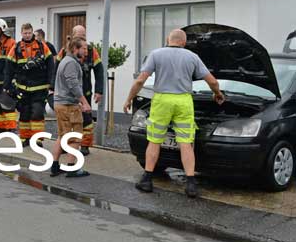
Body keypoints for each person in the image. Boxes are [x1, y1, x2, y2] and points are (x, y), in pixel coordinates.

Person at [123, 29, 225, 198]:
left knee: (155, 140)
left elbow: (141, 80)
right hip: (184, 101)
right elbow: (212, 81)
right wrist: (218, 94)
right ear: (183, 43)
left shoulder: (156, 54)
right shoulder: (192, 57)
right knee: (186, 142)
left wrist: (129, 99)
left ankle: (147, 179)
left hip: (162, 100)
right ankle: (191, 184)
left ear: (167, 40)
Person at [55, 25, 104, 156]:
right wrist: (51, 89)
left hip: (85, 92)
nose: (82, 38)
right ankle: (68, 148)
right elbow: (56, 69)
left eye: (84, 36)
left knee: (86, 120)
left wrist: (99, 90)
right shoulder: (64, 51)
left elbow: (99, 70)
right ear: (73, 36)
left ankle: (85, 145)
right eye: (79, 36)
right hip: (69, 96)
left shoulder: (91, 50)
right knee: (68, 124)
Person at [4, 23, 55, 143]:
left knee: (37, 113)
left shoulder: (42, 46)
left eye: (29, 33)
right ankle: (24, 137)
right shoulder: (16, 48)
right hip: (22, 88)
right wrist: (6, 86)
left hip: (40, 88)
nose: (27, 35)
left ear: (32, 33)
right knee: (24, 113)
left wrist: (51, 84)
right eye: (25, 33)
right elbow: (9, 68)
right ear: (21, 33)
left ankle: (37, 140)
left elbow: (51, 66)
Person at [51, 36, 92, 177]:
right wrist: (84, 102)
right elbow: (73, 84)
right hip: (68, 105)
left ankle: (55, 166)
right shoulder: (71, 63)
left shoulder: (66, 61)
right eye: (84, 48)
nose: (86, 51)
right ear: (75, 49)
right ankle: (71, 168)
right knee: (75, 137)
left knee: (62, 136)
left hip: (62, 103)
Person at [36, 28, 58, 112]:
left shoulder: (49, 46)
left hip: (47, 73)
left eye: (36, 35)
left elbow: (55, 58)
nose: (34, 38)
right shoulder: (36, 46)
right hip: (39, 74)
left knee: (47, 92)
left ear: (40, 36)